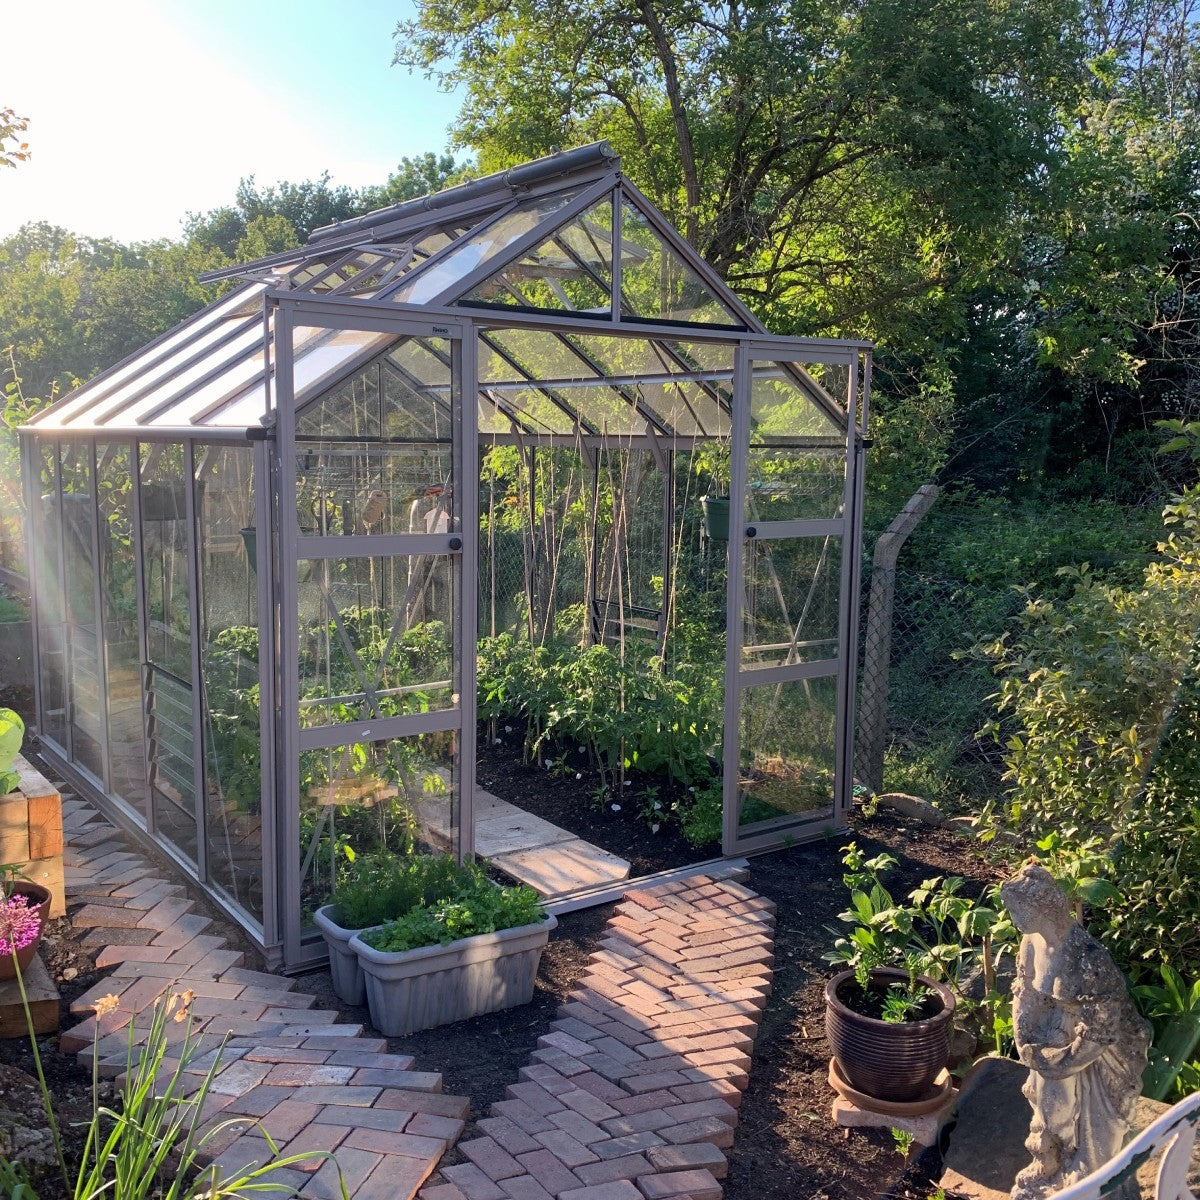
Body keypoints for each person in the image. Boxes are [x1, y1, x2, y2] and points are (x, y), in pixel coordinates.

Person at [1001, 863, 1151, 1200]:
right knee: (1048, 1110)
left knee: (1097, 1149)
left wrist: (1055, 1062)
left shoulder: (1087, 959)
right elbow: (1023, 994)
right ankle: (1051, 1162)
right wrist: (1025, 1043)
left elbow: (1101, 1031)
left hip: (1105, 1055)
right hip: (1055, 1042)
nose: (1014, 919)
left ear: (1042, 908)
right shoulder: (1030, 943)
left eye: (1018, 910)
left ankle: (1090, 1183)